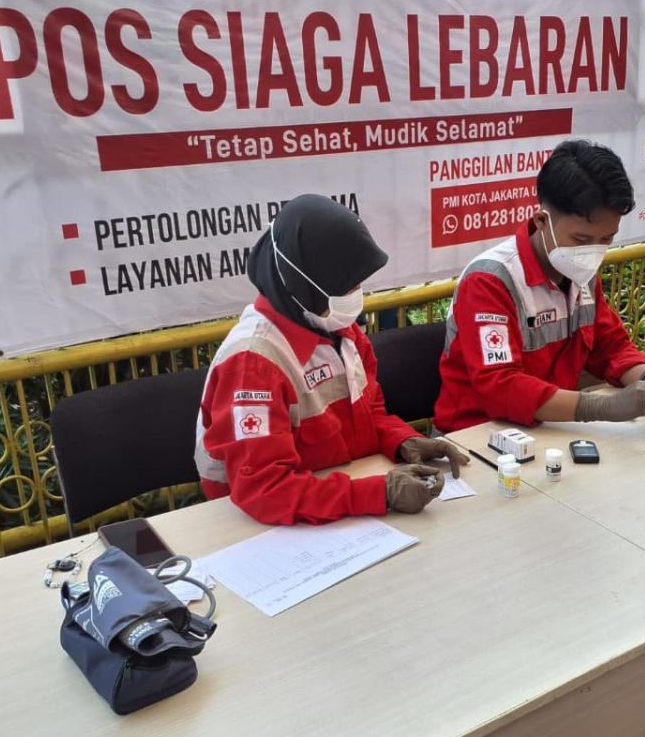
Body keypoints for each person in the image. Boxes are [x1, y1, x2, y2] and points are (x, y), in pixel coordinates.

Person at [195, 195, 469, 525]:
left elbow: (370, 414)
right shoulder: (253, 364)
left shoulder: (338, 328)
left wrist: (404, 440)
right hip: (261, 530)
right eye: (345, 285)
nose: (356, 293)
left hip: (338, 503)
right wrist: (379, 493)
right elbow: (265, 490)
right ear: (303, 284)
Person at [434, 139, 645, 433]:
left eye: (606, 238)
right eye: (581, 239)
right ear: (542, 220)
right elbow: (500, 387)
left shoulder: (581, 271)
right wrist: (603, 407)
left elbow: (612, 348)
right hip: (475, 437)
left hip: (548, 430)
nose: (593, 251)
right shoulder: (490, 281)